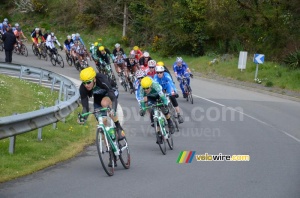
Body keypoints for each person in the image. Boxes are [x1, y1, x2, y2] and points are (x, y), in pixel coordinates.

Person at [78, 67, 125, 139]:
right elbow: (85, 107)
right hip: (98, 97)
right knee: (102, 125)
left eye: (88, 82)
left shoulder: (102, 80)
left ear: (94, 79)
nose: (86, 85)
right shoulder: (83, 88)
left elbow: (113, 97)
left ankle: (118, 127)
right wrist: (83, 118)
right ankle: (110, 148)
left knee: (104, 103)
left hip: (111, 91)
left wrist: (113, 109)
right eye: (84, 82)